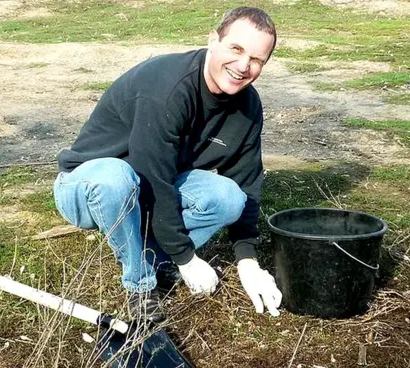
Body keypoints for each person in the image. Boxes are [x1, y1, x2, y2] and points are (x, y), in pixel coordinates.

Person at [53, 7, 282, 323]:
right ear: (213, 40)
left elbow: (247, 182)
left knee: (229, 197)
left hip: (148, 189)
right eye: (236, 49)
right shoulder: (167, 88)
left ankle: (154, 257)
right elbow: (153, 176)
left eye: (257, 60)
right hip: (89, 186)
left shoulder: (247, 107)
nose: (243, 66)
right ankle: (141, 287)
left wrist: (247, 261)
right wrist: (187, 259)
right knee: (115, 178)